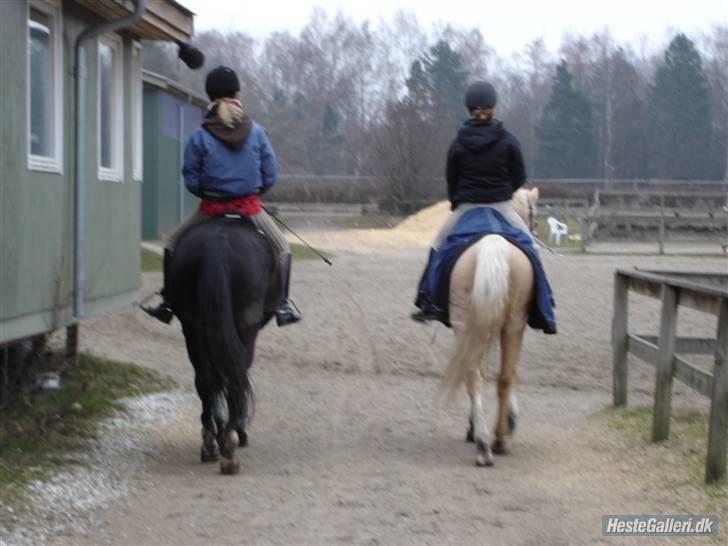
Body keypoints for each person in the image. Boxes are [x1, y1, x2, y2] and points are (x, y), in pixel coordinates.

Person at [142, 66, 302, 327]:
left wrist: (209, 192)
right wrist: (251, 193)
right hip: (250, 208)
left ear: (210, 95)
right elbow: (270, 174)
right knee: (283, 248)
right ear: (236, 93)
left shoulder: (199, 135)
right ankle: (282, 306)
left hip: (210, 208)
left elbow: (191, 178)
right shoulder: (257, 132)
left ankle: (168, 303)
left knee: (171, 244)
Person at [411, 80, 532, 322]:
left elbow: (451, 179)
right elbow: (520, 176)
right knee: (530, 246)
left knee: (437, 247)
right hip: (502, 208)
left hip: (466, 209)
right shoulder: (508, 141)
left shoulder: (458, 143)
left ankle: (429, 302)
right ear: (493, 108)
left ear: (470, 109)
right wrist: (504, 191)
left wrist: (459, 201)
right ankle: (542, 302)